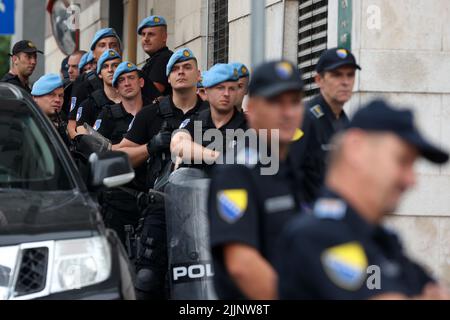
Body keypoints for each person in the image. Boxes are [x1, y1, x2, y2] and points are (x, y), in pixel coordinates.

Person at [277, 99, 450, 300]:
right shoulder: (315, 235)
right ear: (355, 148)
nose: (411, 180)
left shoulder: (384, 239)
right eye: (402, 160)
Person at [115, 48, 208, 299]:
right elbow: (120, 157)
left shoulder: (212, 114)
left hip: (202, 208)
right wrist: (150, 146)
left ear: (198, 74)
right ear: (168, 78)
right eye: (175, 69)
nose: (181, 72)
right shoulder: (150, 113)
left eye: (187, 67)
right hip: (160, 205)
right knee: (147, 278)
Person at [207, 60, 305, 300]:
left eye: (294, 102)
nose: (287, 112)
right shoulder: (236, 170)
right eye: (275, 102)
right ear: (253, 108)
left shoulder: (292, 163)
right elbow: (242, 266)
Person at [290, 48, 361, 204]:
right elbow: (290, 173)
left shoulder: (344, 121)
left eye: (350, 75)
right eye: (336, 75)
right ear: (319, 80)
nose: (345, 82)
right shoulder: (304, 118)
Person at [170, 63, 246, 173]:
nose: (226, 94)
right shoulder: (196, 120)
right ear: (206, 90)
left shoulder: (249, 126)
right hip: (193, 188)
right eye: (220, 88)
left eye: (232, 89)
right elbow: (177, 145)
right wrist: (219, 157)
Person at [68, 28, 122, 139]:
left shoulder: (132, 75)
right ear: (93, 53)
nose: (108, 49)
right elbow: (72, 126)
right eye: (102, 45)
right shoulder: (83, 82)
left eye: (113, 45)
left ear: (119, 50)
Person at [76, 49, 122, 133]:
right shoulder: (88, 105)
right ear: (99, 74)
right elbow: (83, 138)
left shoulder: (133, 100)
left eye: (115, 65)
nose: (110, 70)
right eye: (105, 66)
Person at [137, 15, 173, 101]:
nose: (146, 39)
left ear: (164, 37)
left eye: (151, 34)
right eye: (143, 34)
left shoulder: (163, 58)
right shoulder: (155, 59)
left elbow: (153, 92)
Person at [31, 73, 69, 146]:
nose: (58, 100)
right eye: (51, 95)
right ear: (35, 98)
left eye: (61, 96)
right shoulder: (26, 122)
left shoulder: (63, 118)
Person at [61, 50, 87, 122]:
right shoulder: (66, 91)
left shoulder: (96, 90)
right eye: (69, 66)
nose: (69, 71)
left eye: (75, 66)